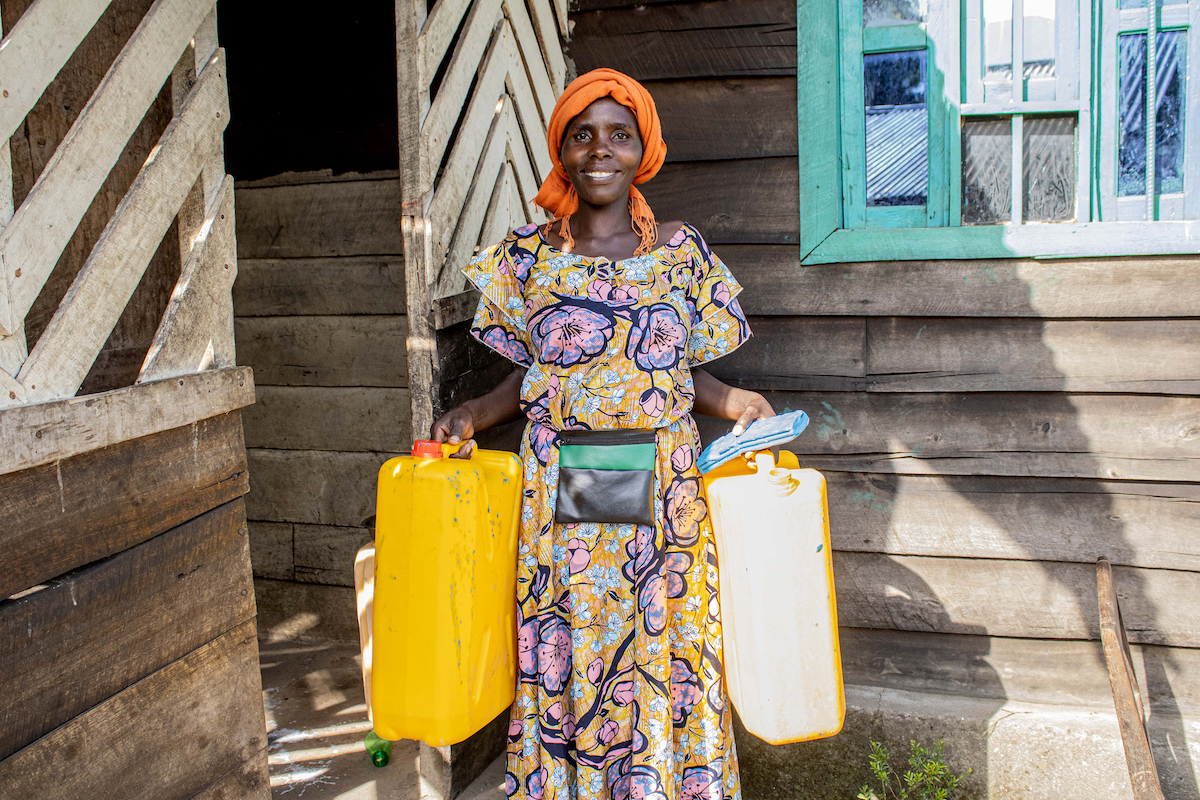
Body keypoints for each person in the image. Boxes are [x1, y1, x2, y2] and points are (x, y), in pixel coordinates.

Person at [431, 68, 772, 800]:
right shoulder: (528, 255)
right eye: (582, 135)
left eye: (620, 134)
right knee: (574, 653)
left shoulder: (681, 250)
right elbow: (535, 381)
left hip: (663, 498)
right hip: (566, 500)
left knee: (661, 649)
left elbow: (674, 376)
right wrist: (470, 416)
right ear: (562, 149)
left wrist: (736, 398)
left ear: (642, 148)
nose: (600, 150)